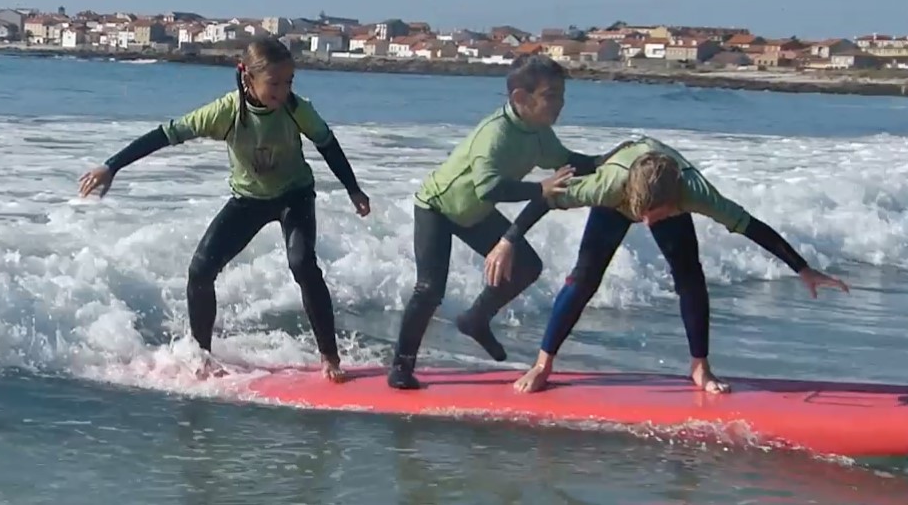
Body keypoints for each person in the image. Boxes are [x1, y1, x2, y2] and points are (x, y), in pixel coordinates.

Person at [77, 36, 372, 383]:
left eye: (289, 82)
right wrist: (112, 166)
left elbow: (328, 145)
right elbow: (165, 134)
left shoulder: (296, 108)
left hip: (295, 196)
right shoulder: (226, 112)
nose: (283, 90)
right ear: (248, 78)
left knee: (302, 264)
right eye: (274, 83)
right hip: (248, 201)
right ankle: (202, 357)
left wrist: (353, 189)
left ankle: (330, 357)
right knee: (200, 271)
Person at [485, 135, 850, 395]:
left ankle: (700, 369)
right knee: (584, 277)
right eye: (641, 215)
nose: (645, 223)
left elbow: (752, 226)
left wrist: (803, 268)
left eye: (652, 216)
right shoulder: (605, 187)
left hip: (666, 190)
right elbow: (546, 198)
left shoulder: (695, 193)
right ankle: (542, 364)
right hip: (621, 185)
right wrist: (507, 240)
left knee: (690, 278)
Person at [387, 54, 613, 391]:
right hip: (438, 207)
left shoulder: (538, 132)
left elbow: (568, 162)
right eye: (551, 96)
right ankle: (401, 367)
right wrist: (540, 188)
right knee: (430, 289)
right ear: (521, 99)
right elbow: (489, 187)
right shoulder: (495, 134)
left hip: (474, 213)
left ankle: (476, 318)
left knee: (526, 266)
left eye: (562, 96)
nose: (560, 104)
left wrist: (609, 161)